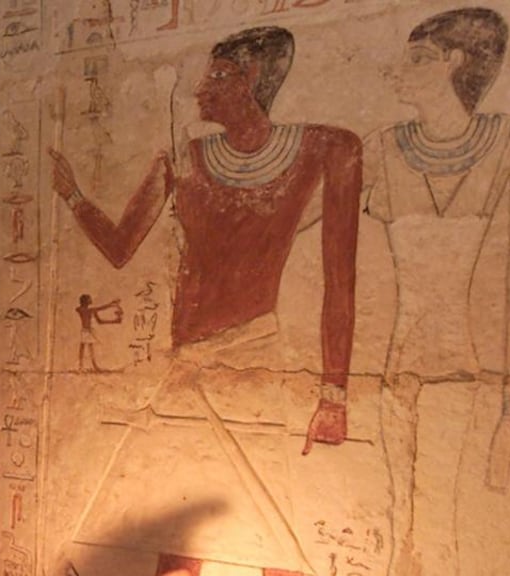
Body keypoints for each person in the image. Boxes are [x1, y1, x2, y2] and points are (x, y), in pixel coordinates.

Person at [50, 26, 361, 575]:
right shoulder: (185, 158)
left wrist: (333, 394)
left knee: (273, 540)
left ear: (253, 79)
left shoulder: (327, 148)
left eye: (217, 76)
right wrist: (72, 194)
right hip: (187, 369)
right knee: (180, 543)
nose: (200, 89)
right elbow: (121, 247)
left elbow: (340, 280)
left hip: (255, 360)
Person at [363, 8, 510, 575]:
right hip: (400, 364)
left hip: (473, 368)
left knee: (451, 526)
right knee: (405, 528)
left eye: (417, 58)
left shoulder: (504, 146)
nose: (398, 71)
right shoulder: (384, 148)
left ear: (453, 63)